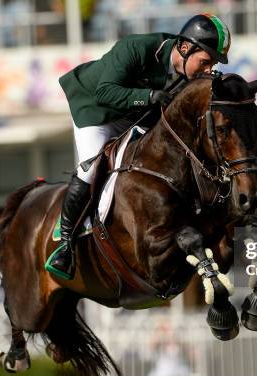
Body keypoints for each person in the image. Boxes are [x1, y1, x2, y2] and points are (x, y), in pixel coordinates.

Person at [45, 14, 232, 280]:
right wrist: (150, 96)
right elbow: (105, 92)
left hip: (137, 116)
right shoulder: (137, 48)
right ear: (185, 48)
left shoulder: (191, 75)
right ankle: (65, 243)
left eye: (212, 64)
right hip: (96, 112)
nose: (207, 69)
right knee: (90, 168)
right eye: (205, 62)